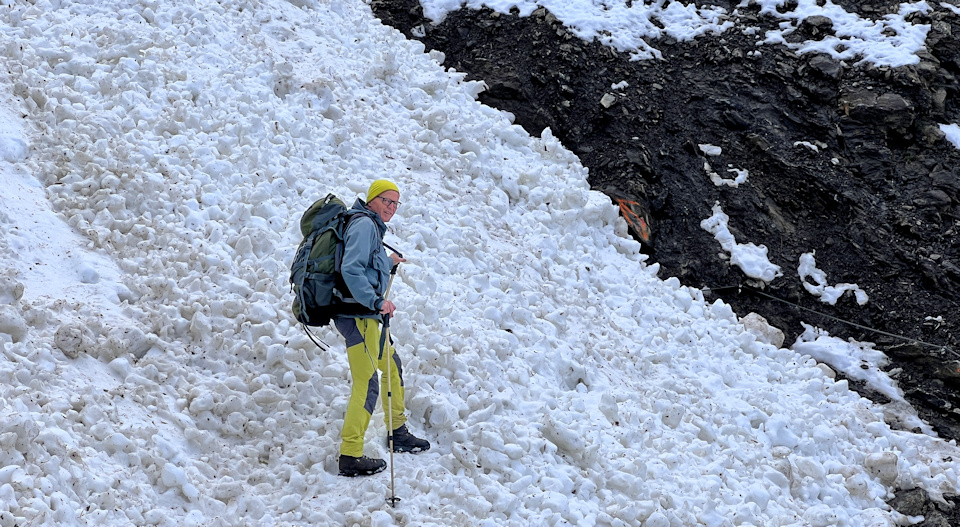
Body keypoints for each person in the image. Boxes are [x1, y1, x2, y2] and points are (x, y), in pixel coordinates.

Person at [335, 179, 431, 477]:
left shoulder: (368, 225)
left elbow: (364, 264)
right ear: (373, 199)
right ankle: (350, 454)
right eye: (386, 201)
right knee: (367, 382)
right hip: (357, 315)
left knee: (391, 365)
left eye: (395, 203)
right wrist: (376, 301)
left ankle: (397, 431)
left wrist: (387, 262)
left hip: (363, 314)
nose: (391, 207)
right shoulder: (364, 225)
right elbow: (350, 268)